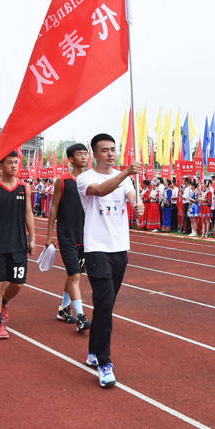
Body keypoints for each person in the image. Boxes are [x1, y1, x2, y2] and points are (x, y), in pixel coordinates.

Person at [76, 133, 143, 388]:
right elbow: (101, 190)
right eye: (105, 150)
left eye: (113, 149)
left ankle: (93, 352)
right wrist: (126, 172)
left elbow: (131, 198)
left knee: (107, 305)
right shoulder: (85, 178)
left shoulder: (126, 180)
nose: (111, 154)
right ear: (95, 153)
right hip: (96, 248)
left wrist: (136, 205)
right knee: (104, 304)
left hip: (120, 248)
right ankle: (105, 363)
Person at [0, 150, 36, 339]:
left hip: (18, 243)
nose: (13, 166)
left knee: (18, 282)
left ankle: (3, 302)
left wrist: (32, 237)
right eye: (9, 162)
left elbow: (28, 213)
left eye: (15, 162)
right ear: (0, 166)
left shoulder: (24, 187)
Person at [46, 143, 90, 332]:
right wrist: (49, 234)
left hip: (87, 236)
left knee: (73, 275)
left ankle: (63, 309)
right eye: (79, 154)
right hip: (67, 235)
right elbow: (54, 207)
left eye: (85, 154)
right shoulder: (62, 181)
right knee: (74, 275)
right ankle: (81, 317)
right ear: (71, 159)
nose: (84, 157)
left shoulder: (90, 180)